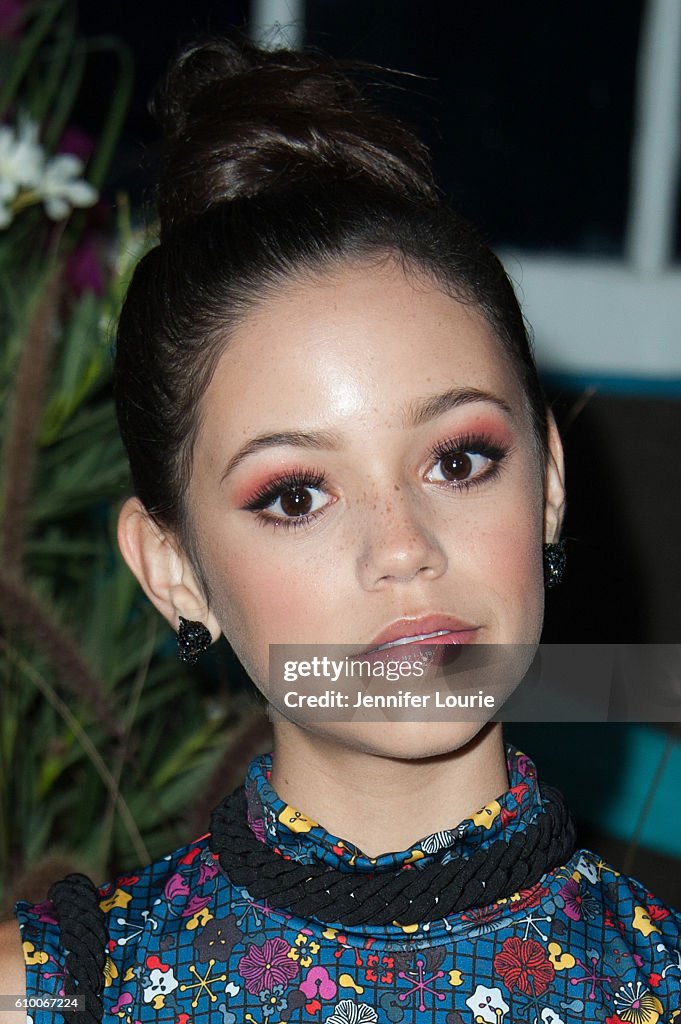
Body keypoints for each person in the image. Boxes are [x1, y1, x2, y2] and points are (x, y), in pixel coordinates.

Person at [1, 34, 679, 1024]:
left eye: (457, 460)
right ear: (173, 568)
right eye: (295, 494)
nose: (403, 546)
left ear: (548, 482)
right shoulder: (48, 996)